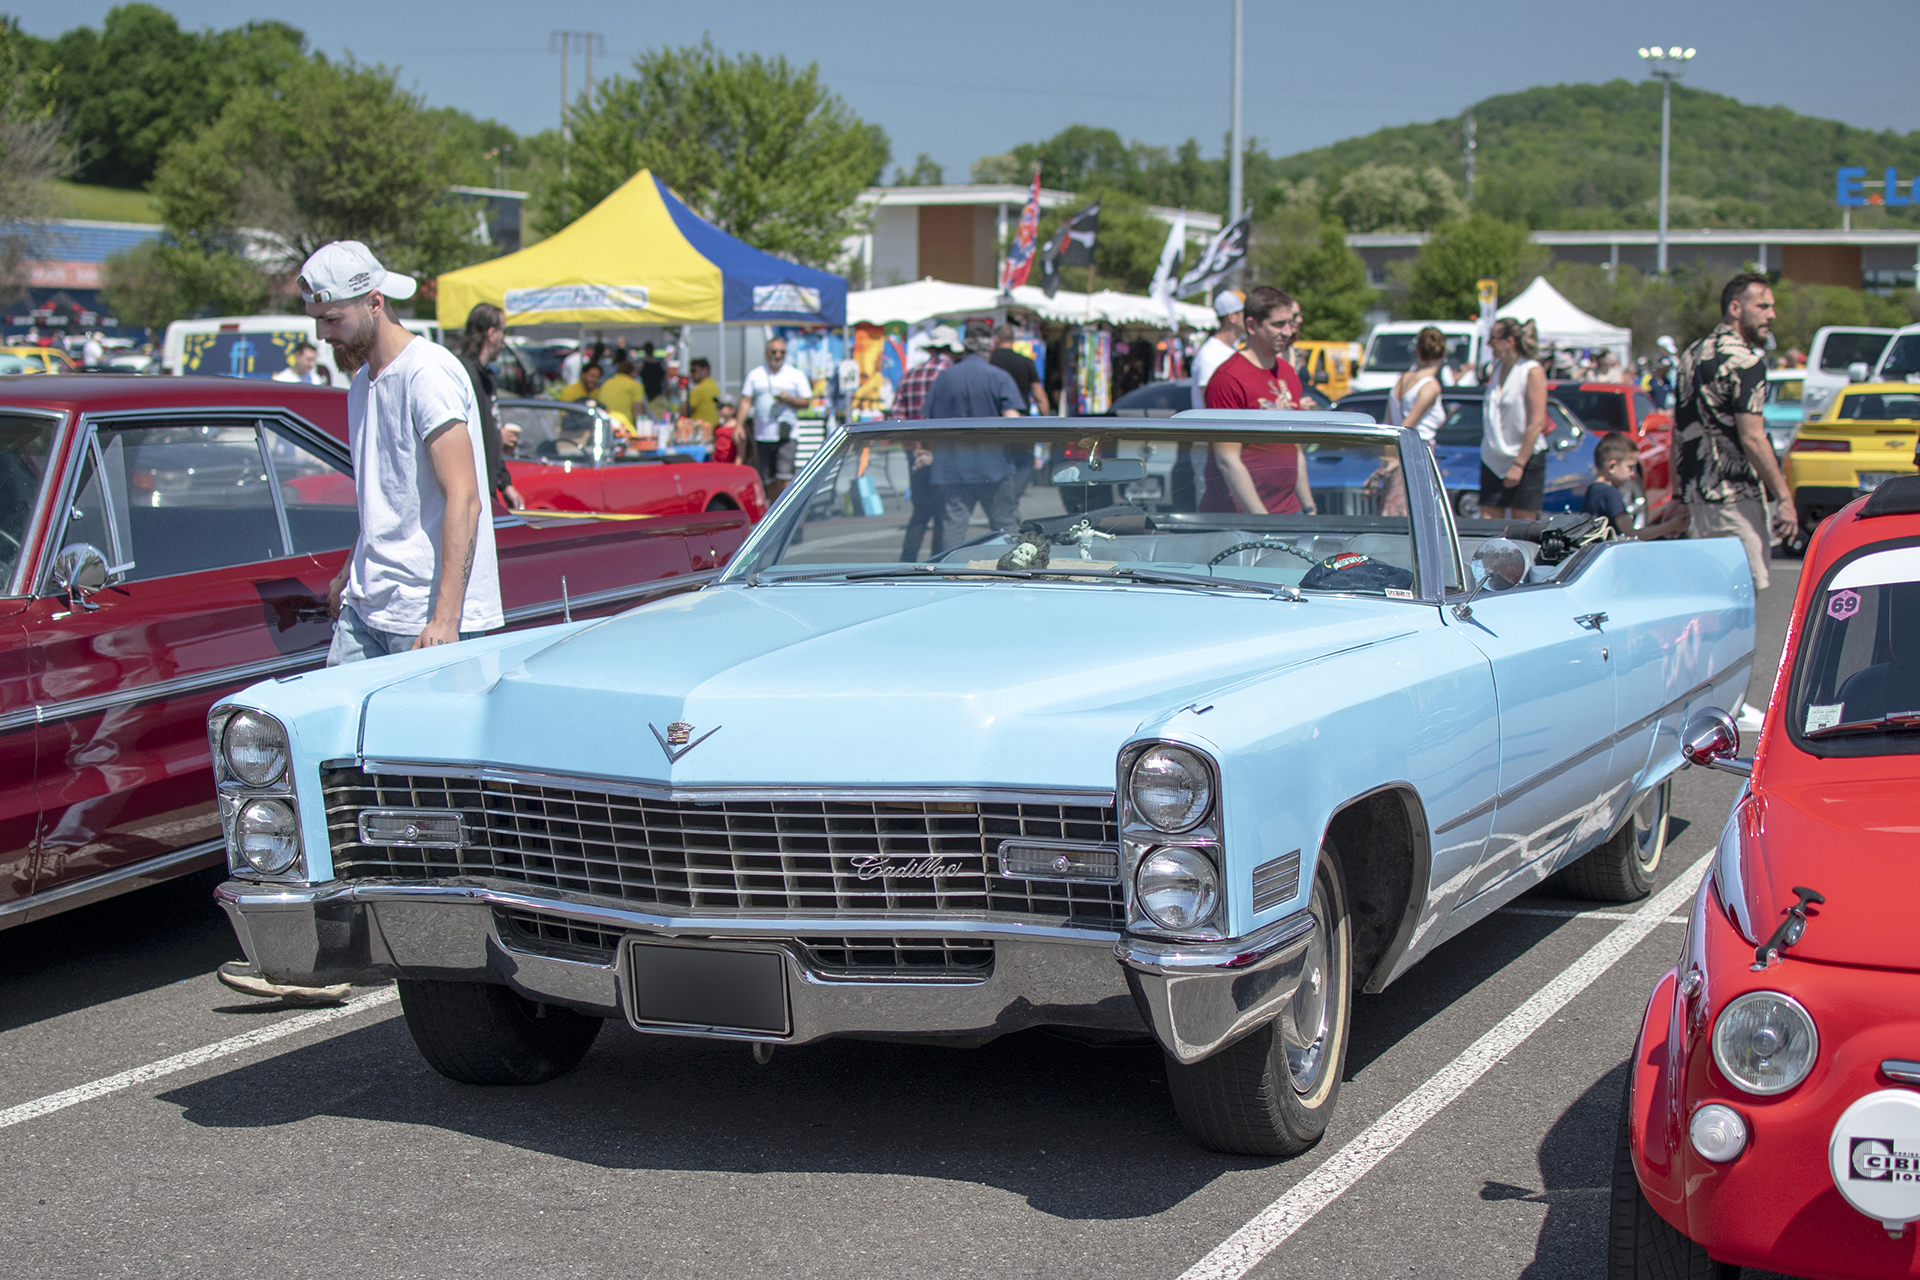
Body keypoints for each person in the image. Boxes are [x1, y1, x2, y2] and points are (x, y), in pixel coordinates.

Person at [219, 241, 503, 1008]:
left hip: (429, 618)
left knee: (421, 794)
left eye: (333, 317)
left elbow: (464, 497)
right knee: (322, 771)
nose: (322, 333)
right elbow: (391, 495)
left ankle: (443, 960)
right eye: (315, 317)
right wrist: (356, 564)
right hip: (372, 605)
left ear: (374, 301)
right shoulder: (363, 382)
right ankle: (319, 957)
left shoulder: (430, 372)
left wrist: (446, 616)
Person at [1675, 272, 1797, 608]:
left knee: (1701, 605)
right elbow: (1753, 438)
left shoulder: (1690, 356)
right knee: (1739, 605)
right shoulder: (1746, 362)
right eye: (1763, 306)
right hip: (1733, 498)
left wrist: (1677, 493)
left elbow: (1680, 433)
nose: (1771, 315)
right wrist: (1784, 497)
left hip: (1696, 499)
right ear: (1735, 308)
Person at [1200, 286, 1315, 515]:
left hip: (1287, 513)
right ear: (1251, 325)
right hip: (1238, 520)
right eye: (1277, 324)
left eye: (1290, 323)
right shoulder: (1227, 378)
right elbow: (1227, 460)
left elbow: (1295, 448)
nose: (1287, 332)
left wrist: (1309, 509)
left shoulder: (1287, 372)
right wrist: (1264, 522)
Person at [925, 320, 1025, 556]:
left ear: (964, 345)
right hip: (994, 465)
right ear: (989, 345)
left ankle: (948, 573)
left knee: (953, 526)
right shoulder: (999, 377)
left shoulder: (943, 378)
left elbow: (928, 422)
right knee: (1005, 527)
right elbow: (1013, 420)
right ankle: (1014, 572)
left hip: (952, 465)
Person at [892, 327, 962, 560]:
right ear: (951, 350)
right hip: (944, 451)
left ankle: (906, 561)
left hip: (915, 451)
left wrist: (912, 449)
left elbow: (896, 417)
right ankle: (938, 562)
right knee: (945, 514)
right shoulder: (951, 373)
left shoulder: (910, 375)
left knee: (920, 512)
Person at [453, 304, 522, 510]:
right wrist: (495, 436)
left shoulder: (485, 377)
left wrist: (505, 483)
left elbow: (489, 430)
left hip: (489, 492)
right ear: (491, 333)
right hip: (472, 495)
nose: (504, 342)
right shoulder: (463, 374)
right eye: (504, 332)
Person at [1480, 317, 1548, 521]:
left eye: (1493, 338)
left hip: (1524, 458)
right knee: (1487, 525)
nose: (1489, 343)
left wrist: (1518, 465)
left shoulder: (1530, 370)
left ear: (1509, 341)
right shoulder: (1497, 368)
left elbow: (1536, 423)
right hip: (1493, 457)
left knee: (1522, 528)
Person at [738, 336, 813, 492]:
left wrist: (788, 399)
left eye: (782, 352)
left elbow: (806, 402)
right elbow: (746, 401)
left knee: (785, 477)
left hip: (787, 433)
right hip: (763, 434)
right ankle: (774, 513)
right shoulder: (755, 374)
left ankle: (786, 513)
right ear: (767, 352)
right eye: (774, 351)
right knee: (769, 479)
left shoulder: (795, 375)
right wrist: (739, 424)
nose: (777, 355)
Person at [1583, 431, 1689, 539]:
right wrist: (1671, 526)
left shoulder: (1592, 490)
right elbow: (1632, 534)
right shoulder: (1610, 493)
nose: (1633, 473)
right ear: (1612, 467)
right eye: (1629, 467)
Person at [1388, 326, 1448, 447]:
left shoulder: (1403, 378)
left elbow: (1388, 422)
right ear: (1444, 353)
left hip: (1398, 450)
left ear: (1417, 351)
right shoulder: (1430, 386)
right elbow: (1406, 428)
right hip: (1418, 451)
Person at [1191, 290, 1245, 410]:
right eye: (1244, 313)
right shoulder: (1211, 354)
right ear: (1232, 317)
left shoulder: (1228, 349)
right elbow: (1210, 399)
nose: (1249, 318)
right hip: (1213, 426)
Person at [989, 324, 1049, 415]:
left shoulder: (989, 361)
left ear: (996, 339)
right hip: (1021, 419)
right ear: (1013, 340)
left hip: (995, 418)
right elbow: (1039, 396)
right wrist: (1046, 419)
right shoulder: (1026, 361)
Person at [595, 360, 645, 430]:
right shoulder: (635, 385)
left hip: (605, 426)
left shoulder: (606, 384)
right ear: (632, 373)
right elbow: (638, 411)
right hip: (625, 428)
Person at [686, 357, 720, 426]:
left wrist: (683, 390)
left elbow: (684, 411)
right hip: (713, 428)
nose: (691, 374)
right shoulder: (715, 387)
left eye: (694, 370)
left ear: (705, 370)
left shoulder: (699, 389)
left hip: (700, 431)